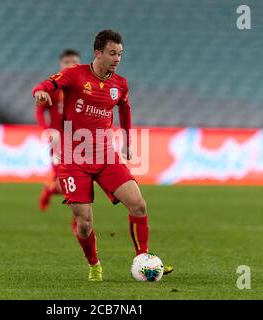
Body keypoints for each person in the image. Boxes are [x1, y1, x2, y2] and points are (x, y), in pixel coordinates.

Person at [32, 30, 173, 281]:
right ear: (98, 53)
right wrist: (39, 93)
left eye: (120, 54)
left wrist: (128, 141)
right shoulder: (75, 74)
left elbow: (125, 109)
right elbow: (45, 85)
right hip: (73, 159)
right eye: (112, 53)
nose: (117, 58)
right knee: (84, 223)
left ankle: (143, 257)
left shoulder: (120, 84)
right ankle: (94, 264)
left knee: (139, 204)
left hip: (105, 155)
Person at [36, 49, 80, 212]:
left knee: (81, 183)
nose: (70, 65)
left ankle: (79, 222)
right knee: (65, 184)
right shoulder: (54, 87)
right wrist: (47, 130)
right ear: (61, 65)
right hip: (59, 141)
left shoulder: (85, 87)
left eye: (73, 61)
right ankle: (49, 190)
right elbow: (40, 110)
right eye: (67, 62)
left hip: (80, 141)